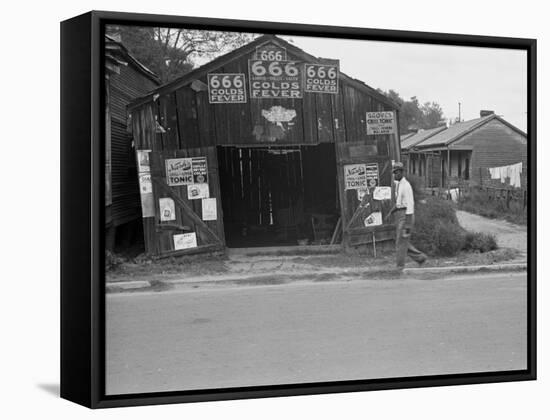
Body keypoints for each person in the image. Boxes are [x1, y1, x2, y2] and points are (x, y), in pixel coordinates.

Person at [386, 161, 427, 269]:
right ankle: (420, 258)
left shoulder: (406, 186)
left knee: (400, 242)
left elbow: (409, 205)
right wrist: (391, 212)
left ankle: (399, 267)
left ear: (401, 173)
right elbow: (399, 203)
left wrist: (408, 224)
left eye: (396, 173)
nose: (394, 175)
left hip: (406, 216)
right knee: (402, 241)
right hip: (400, 215)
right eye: (394, 173)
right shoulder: (399, 185)